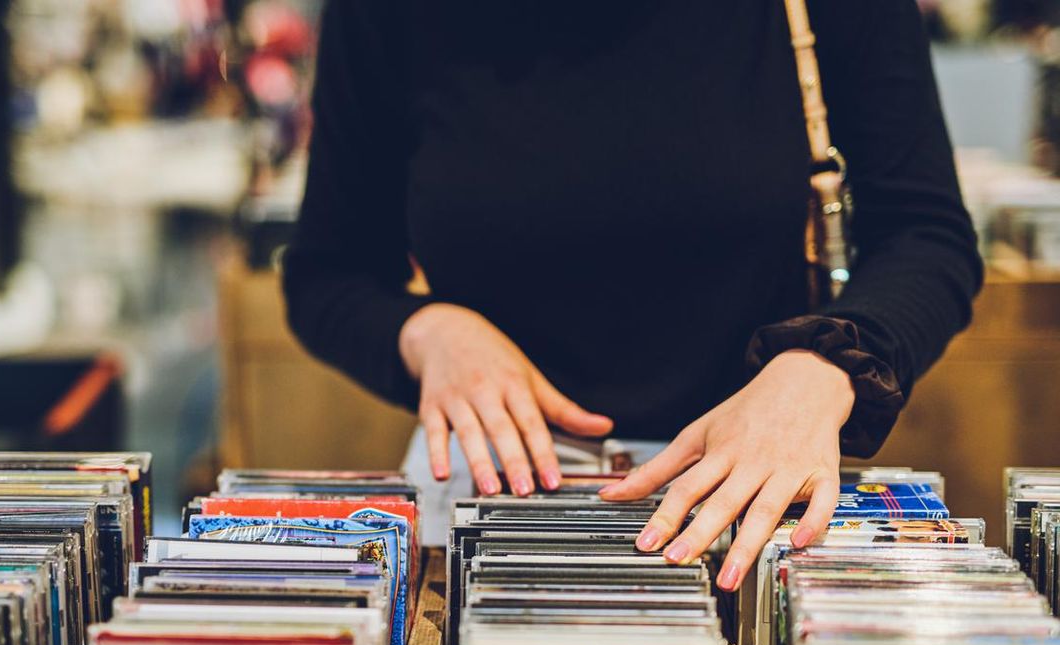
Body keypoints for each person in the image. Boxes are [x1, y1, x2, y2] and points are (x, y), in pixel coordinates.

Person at [280, 0, 982, 591]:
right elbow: (328, 271)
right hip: (485, 510)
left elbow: (926, 236)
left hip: (761, 503)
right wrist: (428, 333)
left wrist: (825, 364)